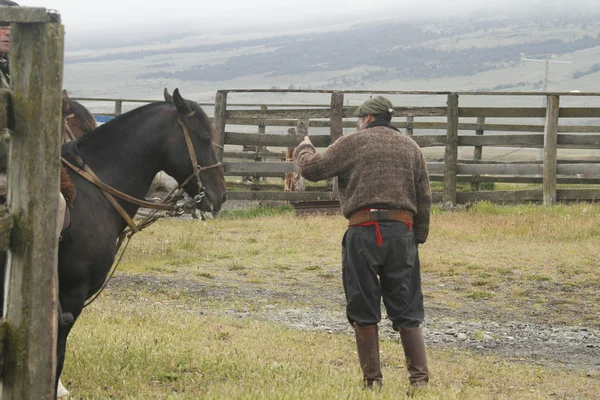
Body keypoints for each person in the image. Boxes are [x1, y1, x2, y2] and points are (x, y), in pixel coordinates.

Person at [293, 96, 431, 393]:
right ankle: (418, 382)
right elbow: (424, 196)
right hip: (401, 232)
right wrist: (416, 238)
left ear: (367, 119)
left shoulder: (351, 143)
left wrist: (304, 147)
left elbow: (311, 169)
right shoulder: (411, 147)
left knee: (362, 305)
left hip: (362, 232)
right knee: (407, 308)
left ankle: (373, 383)